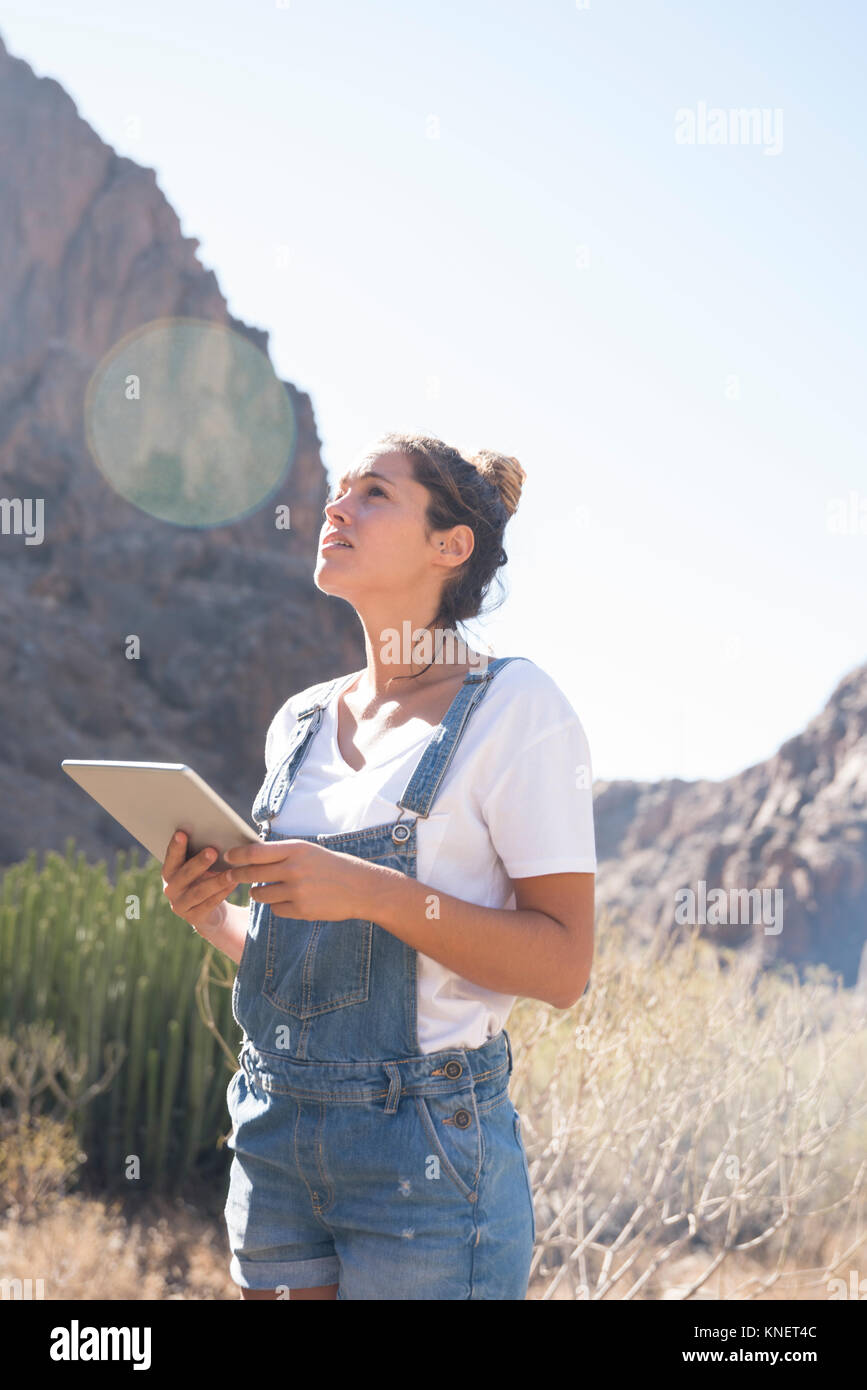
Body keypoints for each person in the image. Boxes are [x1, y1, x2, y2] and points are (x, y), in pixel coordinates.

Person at [162, 432, 596, 1300]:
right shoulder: (300, 720)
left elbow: (562, 966)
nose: (334, 507)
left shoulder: (516, 708)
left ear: (450, 546)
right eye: (339, 491)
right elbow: (320, 977)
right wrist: (214, 917)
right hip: (275, 1132)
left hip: (427, 1152)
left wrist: (376, 893)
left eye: (373, 494)